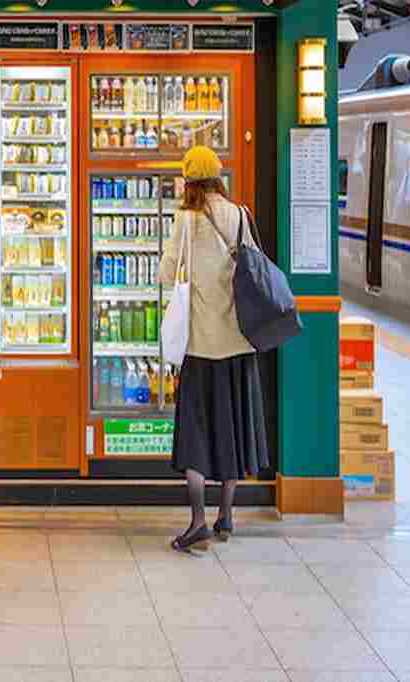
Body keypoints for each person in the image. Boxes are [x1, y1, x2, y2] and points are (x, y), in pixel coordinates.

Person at [159, 146, 269, 550]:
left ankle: (197, 521)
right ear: (219, 178)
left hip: (200, 347)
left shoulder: (185, 221)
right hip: (237, 344)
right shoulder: (239, 215)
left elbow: (166, 274)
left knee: (196, 435)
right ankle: (226, 516)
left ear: (189, 182)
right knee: (233, 429)